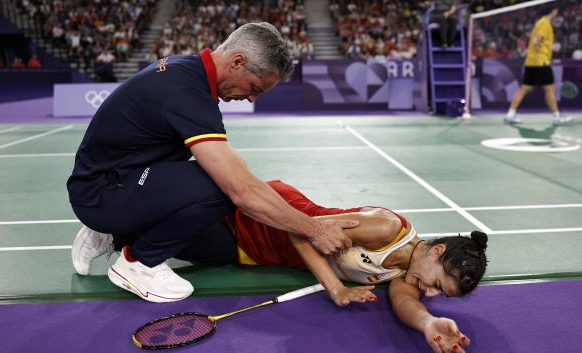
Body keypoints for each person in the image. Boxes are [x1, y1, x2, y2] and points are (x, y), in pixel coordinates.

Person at [67, 23, 357, 304]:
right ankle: (139, 263)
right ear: (237, 62)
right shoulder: (187, 92)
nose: (251, 97)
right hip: (101, 192)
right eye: (254, 87)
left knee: (220, 247)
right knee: (223, 187)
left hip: (120, 178)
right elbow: (241, 190)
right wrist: (314, 230)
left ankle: (116, 232)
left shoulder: (188, 72)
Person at [74, 180, 487, 353]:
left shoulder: (406, 274)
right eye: (437, 285)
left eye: (438, 296)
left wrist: (428, 322)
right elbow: (302, 231)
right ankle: (110, 225)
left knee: (197, 248)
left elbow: (404, 302)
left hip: (257, 253)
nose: (429, 292)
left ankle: (111, 236)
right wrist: (335, 288)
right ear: (435, 252)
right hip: (272, 217)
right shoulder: (386, 229)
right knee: (191, 218)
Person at [504, 5, 572, 126]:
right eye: (556, 9)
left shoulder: (539, 22)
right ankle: (556, 116)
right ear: (553, 10)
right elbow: (536, 39)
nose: (557, 11)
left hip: (531, 61)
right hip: (541, 62)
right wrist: (537, 46)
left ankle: (510, 114)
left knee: (525, 88)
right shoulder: (545, 23)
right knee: (549, 89)